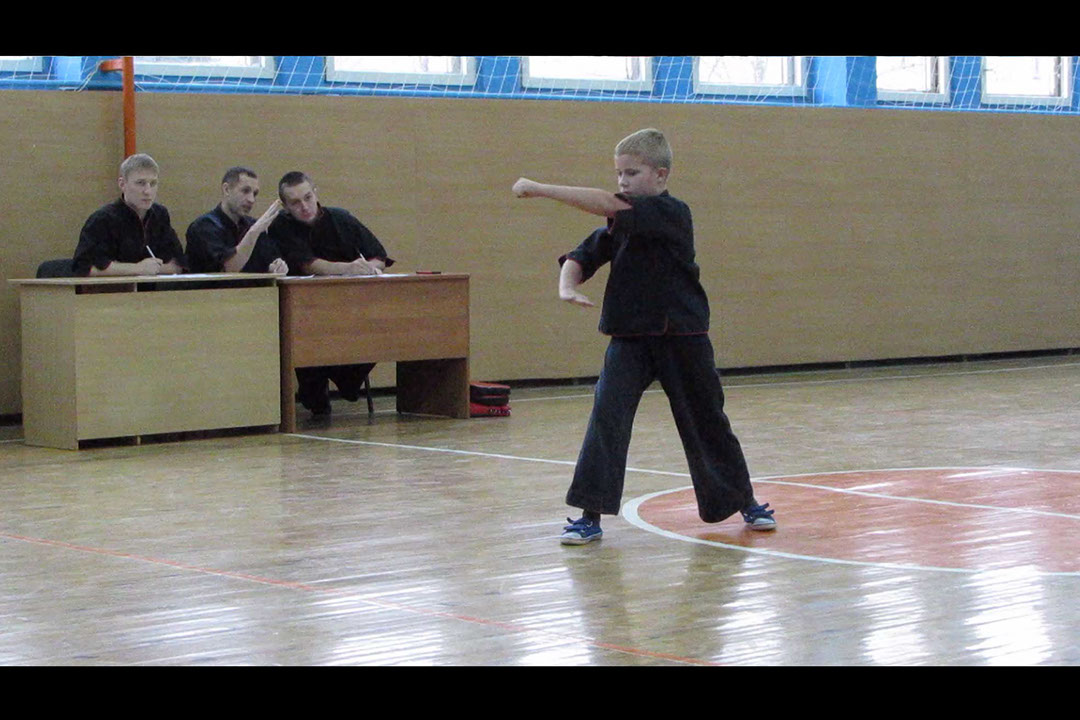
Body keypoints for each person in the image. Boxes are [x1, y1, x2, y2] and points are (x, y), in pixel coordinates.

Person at [512, 128, 776, 545]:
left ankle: (745, 501)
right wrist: (567, 286)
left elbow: (607, 204)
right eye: (619, 174)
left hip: (683, 337)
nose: (623, 181)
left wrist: (541, 189)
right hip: (629, 340)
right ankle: (589, 516)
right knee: (607, 419)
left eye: (632, 173)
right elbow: (582, 255)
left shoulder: (673, 212)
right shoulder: (618, 224)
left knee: (707, 420)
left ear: (660, 175)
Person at [267, 171, 395, 416]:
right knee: (309, 333)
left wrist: (369, 268)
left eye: (307, 197)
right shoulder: (281, 226)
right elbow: (309, 264)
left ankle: (347, 380)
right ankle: (318, 390)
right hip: (305, 310)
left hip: (352, 305)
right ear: (285, 206)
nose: (304, 206)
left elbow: (379, 255)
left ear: (316, 193)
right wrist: (349, 269)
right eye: (295, 202)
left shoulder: (341, 218)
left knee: (386, 324)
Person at [73, 153, 188, 277]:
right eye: (140, 183)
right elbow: (83, 268)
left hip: (152, 288)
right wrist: (137, 268)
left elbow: (178, 265)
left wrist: (153, 269)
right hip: (113, 289)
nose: (147, 191)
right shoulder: (102, 219)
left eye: (153, 183)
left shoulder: (160, 215)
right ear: (122, 184)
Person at [185, 167, 288, 274]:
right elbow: (228, 270)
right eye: (245, 191)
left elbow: (270, 261)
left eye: (255, 194)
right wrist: (254, 232)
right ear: (226, 190)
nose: (251, 200)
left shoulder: (253, 225)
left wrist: (276, 267)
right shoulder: (203, 227)